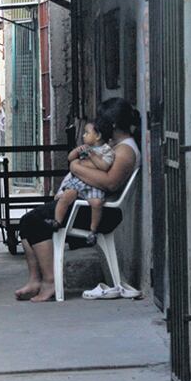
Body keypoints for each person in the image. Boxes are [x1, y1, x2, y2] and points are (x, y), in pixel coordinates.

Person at [13, 98, 141, 302]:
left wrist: (76, 168)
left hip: (100, 212)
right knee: (27, 221)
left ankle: (50, 281)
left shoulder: (125, 150)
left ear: (113, 124)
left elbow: (110, 183)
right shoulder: (114, 146)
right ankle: (35, 279)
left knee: (35, 221)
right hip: (84, 204)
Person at [51, 120, 115, 244]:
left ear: (98, 136)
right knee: (66, 196)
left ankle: (93, 231)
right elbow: (70, 158)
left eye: (87, 133)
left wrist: (92, 156)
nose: (83, 135)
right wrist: (76, 151)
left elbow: (104, 166)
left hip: (94, 184)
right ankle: (57, 221)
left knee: (96, 203)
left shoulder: (106, 150)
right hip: (79, 181)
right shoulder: (84, 147)